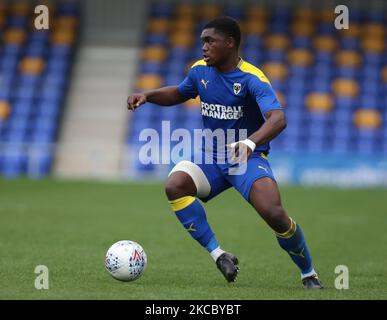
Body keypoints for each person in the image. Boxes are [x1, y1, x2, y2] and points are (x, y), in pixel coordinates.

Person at [127, 17, 323, 289]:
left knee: (274, 213)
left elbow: (278, 118)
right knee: (176, 184)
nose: (204, 47)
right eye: (202, 42)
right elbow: (179, 93)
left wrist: (250, 143)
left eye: (210, 41)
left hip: (247, 159)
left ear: (230, 43)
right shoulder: (199, 71)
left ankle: (308, 274)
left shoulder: (252, 78)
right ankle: (219, 255)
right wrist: (147, 95)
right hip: (211, 157)